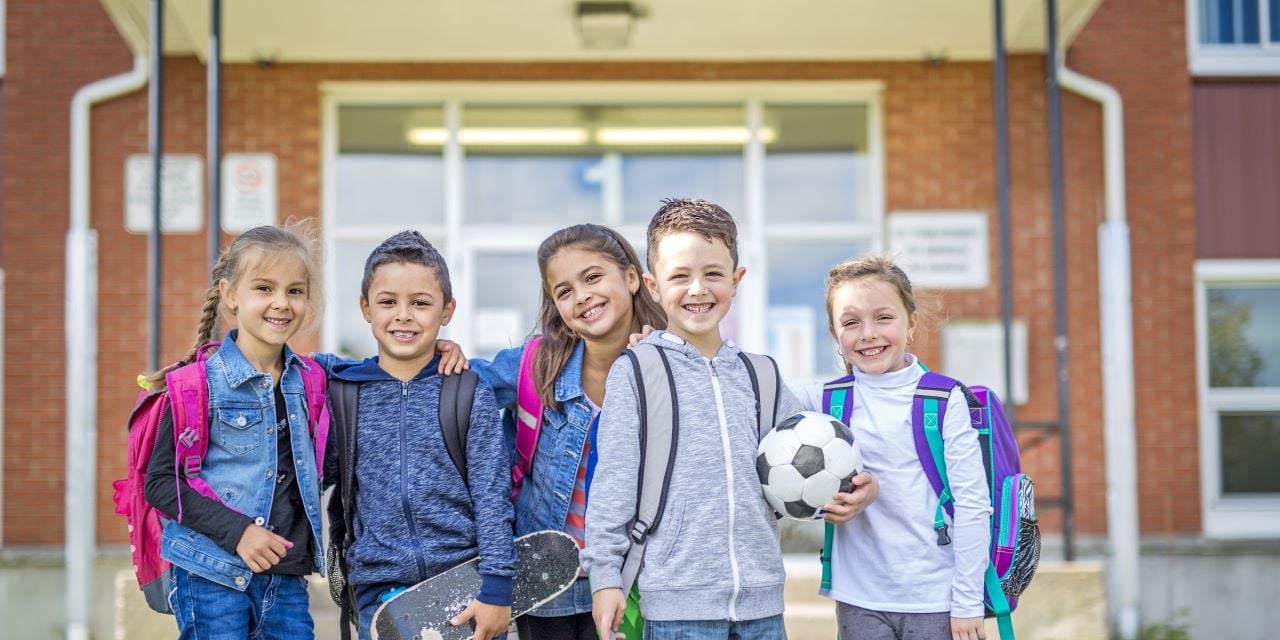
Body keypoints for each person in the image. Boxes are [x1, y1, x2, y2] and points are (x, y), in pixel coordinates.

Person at [582, 198, 803, 640]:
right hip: (676, 609)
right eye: (680, 276)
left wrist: (854, 488)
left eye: (714, 274)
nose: (698, 289)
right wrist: (605, 576)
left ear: (737, 280)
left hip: (763, 607)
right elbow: (613, 484)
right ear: (653, 285)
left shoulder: (762, 374)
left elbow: (811, 456)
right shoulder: (637, 371)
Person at [456, 223, 667, 640]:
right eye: (565, 291)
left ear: (630, 278)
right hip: (546, 584)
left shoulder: (668, 366)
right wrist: (439, 352)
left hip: (636, 584)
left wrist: (661, 363)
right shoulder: (537, 365)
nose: (582, 296)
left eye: (592, 277)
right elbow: (458, 389)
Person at [314, 231, 515, 640]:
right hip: (379, 592)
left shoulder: (465, 390)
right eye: (388, 302)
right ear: (365, 308)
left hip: (466, 582)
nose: (403, 315)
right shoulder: (344, 395)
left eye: (420, 303)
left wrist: (497, 588)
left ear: (447, 310)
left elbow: (492, 497)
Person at [143, 223, 327, 639]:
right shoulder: (198, 384)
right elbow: (160, 483)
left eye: (295, 291)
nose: (281, 303)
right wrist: (239, 532)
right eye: (264, 288)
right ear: (229, 295)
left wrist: (438, 349)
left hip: (286, 579)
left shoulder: (312, 380)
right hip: (210, 575)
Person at [794, 255, 992, 640]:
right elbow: (750, 388)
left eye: (883, 317)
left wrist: (968, 603)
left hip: (935, 599)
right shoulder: (824, 398)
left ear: (911, 322)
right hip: (859, 600)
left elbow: (972, 505)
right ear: (835, 335)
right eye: (851, 322)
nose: (868, 333)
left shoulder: (944, 398)